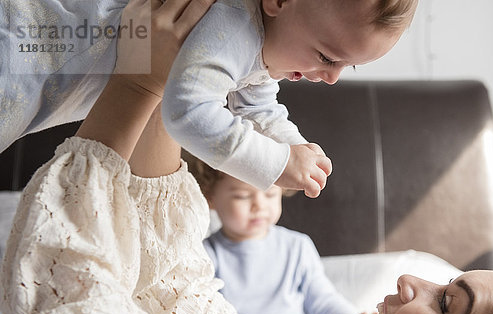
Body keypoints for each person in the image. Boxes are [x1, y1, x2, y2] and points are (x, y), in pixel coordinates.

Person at [0, 2, 493, 314]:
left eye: (445, 304)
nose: (415, 279)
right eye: (445, 282)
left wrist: (138, 84)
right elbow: (169, 291)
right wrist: (170, 68)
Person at [0, 0, 418, 199]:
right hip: (28, 56)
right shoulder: (234, 25)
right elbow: (188, 112)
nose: (330, 78)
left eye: (348, 66)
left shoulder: (260, 46)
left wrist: (291, 144)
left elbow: (258, 105)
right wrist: (276, 164)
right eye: (327, 56)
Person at [187, 160, 371, 314]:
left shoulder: (297, 246)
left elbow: (322, 301)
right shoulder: (206, 255)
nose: (259, 206)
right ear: (209, 196)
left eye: (269, 194)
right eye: (242, 196)